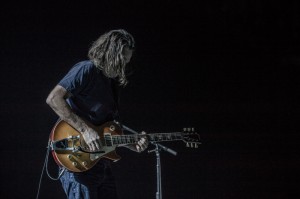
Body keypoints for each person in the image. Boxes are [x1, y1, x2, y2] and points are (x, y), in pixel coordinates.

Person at [46, 29, 148, 199]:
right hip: (77, 156)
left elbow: (108, 129)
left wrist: (132, 143)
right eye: (122, 60)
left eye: (127, 61)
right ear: (110, 53)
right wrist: (85, 130)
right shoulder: (86, 69)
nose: (124, 66)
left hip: (100, 163)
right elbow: (54, 98)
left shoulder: (112, 85)